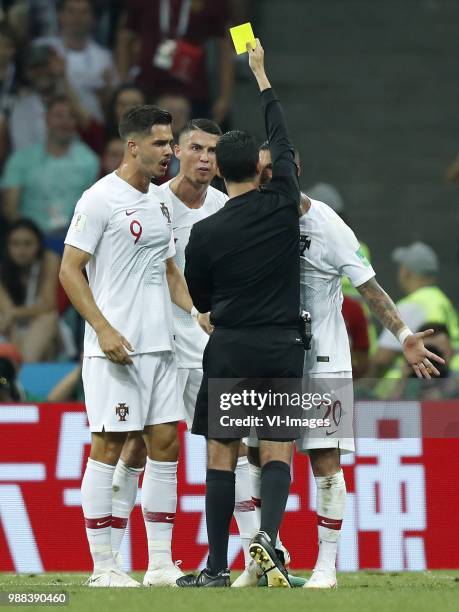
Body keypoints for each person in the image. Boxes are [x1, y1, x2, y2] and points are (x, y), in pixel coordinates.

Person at [255, 150, 446, 589]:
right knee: (260, 456)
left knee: (325, 460)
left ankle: (326, 568)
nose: (267, 176)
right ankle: (267, 557)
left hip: (323, 359)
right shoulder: (254, 217)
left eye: (274, 168)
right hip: (270, 359)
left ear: (293, 171)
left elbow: (369, 287)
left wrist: (402, 335)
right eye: (261, 169)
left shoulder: (328, 225)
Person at [59, 103, 211, 587]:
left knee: (166, 444)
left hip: (161, 347)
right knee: (109, 445)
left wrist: (194, 313)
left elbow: (168, 270)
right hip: (116, 348)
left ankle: (161, 564)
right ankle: (103, 567)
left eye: (170, 143)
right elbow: (69, 269)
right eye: (162, 143)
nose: (169, 152)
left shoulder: (160, 203)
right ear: (133, 146)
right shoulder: (99, 198)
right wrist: (102, 328)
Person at [109, 118, 259, 586]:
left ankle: (258, 557)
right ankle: (122, 561)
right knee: (140, 447)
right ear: (178, 150)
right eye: (196, 148)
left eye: (213, 151)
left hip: (212, 347)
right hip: (156, 344)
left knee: (233, 448)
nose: (205, 158)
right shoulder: (149, 203)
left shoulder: (226, 207)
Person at [177, 40, 304, 589]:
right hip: (281, 344)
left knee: (222, 457)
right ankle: (268, 543)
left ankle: (214, 568)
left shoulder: (205, 232)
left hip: (230, 344)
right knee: (276, 446)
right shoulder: (282, 205)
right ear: (259, 167)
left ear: (219, 173)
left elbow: (200, 300)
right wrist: (261, 77)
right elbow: (284, 138)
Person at [116, 0, 233, 122]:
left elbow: (229, 38)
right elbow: (124, 37)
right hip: (149, 85)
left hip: (194, 90)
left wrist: (225, 97)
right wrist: (124, 85)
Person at [2, 95, 99, 236]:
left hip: (74, 240)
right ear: (46, 119)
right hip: (32, 242)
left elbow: (93, 210)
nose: (64, 122)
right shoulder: (21, 159)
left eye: (70, 116)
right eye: (58, 116)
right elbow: (10, 208)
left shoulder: (89, 160)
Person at [369, 241, 459, 379]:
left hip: (414, 387)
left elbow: (382, 360)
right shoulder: (441, 301)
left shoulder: (413, 305)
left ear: (405, 272)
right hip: (446, 380)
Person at [35, 0, 119, 122]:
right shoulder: (43, 48)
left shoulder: (104, 57)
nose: (77, 18)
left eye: (84, 12)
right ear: (60, 15)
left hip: (90, 126)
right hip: (48, 123)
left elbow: (113, 99)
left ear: (93, 18)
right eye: (71, 11)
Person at [0, 219, 60, 362]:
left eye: (28, 244)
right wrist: (12, 315)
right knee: (7, 321)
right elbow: (7, 311)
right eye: (15, 243)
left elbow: (49, 305)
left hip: (40, 327)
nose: (21, 250)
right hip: (9, 329)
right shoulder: (2, 267)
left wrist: (14, 313)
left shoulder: (49, 260)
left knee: (49, 319)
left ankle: (20, 368)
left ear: (39, 245)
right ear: (7, 246)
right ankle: (19, 366)